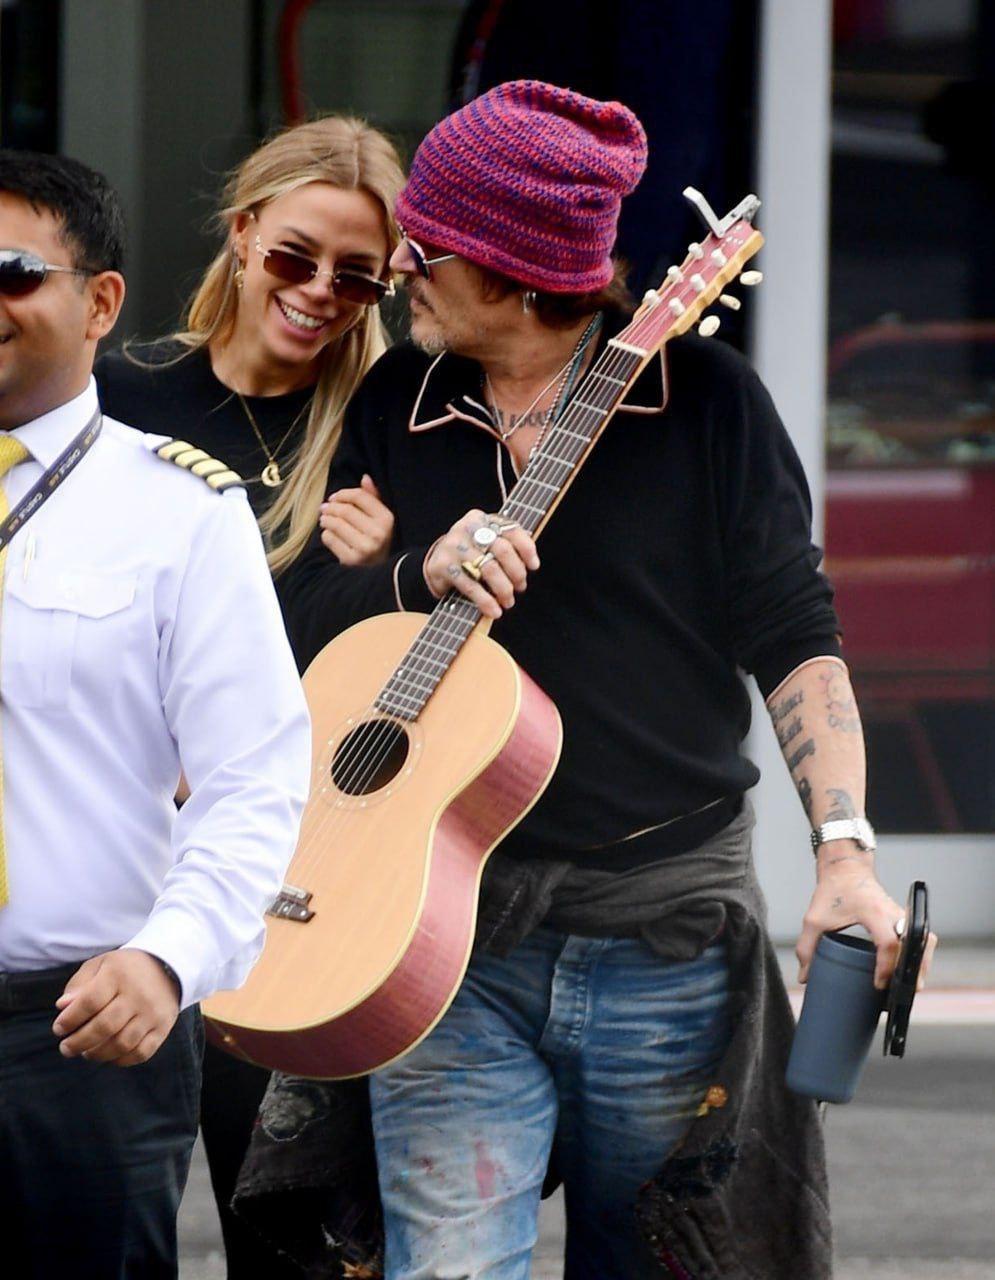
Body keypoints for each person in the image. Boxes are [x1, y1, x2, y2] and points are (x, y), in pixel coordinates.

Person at [271, 81, 937, 1279]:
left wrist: (843, 852)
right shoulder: (396, 398)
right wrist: (414, 570)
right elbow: (311, 629)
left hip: (661, 933)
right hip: (441, 935)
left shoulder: (708, 405)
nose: (399, 267)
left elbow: (794, 631)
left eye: (428, 249)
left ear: (518, 278)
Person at [94, 117, 404, 1277]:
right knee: (90, 1220)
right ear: (241, 234)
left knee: (284, 1237)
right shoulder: (118, 393)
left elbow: (390, 677)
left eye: (356, 276)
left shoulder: (383, 425)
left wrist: (389, 571)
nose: (319, 293)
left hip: (293, 875)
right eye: (293, 256)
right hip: (114, 862)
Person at [0, 150, 311, 1277]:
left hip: (79, 1031)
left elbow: (254, 781)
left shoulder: (181, 511)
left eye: (12, 273)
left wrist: (167, 961)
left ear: (99, 303)